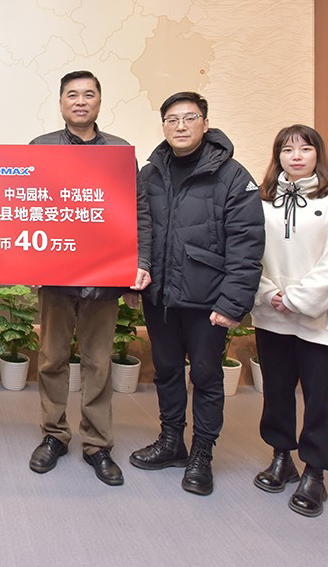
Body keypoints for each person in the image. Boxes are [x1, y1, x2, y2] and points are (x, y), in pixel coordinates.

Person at [131, 91, 264, 496]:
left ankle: (202, 454)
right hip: (161, 297)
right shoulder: (150, 173)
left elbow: (247, 244)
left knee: (206, 377)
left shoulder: (232, 176)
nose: (181, 126)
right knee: (167, 371)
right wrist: (131, 279)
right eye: (172, 119)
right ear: (163, 126)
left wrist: (232, 304)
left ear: (205, 123)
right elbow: (137, 230)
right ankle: (172, 441)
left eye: (189, 118)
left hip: (208, 301)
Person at [27, 71, 150, 486]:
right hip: (55, 276)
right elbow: (26, 206)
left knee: (98, 362)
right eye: (72, 95)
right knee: (52, 359)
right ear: (61, 102)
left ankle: (98, 444)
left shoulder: (119, 152)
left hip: (104, 277)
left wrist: (139, 262)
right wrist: (26, 263)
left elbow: (137, 211)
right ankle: (54, 435)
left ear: (99, 101)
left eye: (88, 94)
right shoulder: (41, 148)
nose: (80, 101)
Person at [251, 124, 328, 517]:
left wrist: (298, 299)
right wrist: (269, 294)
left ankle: (315, 472)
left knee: (319, 399)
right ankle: (281, 457)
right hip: (272, 314)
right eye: (287, 150)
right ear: (277, 156)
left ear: (318, 154)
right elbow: (249, 252)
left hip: (320, 318)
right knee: (276, 391)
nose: (296, 156)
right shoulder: (262, 199)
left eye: (305, 148)